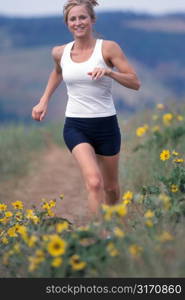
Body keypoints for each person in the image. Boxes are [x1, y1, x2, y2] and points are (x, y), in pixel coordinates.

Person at [32, 0, 141, 218]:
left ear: (92, 20)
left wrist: (110, 72)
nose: (78, 22)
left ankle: (111, 228)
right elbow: (58, 72)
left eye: (82, 17)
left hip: (106, 125)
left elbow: (135, 82)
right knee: (94, 182)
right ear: (67, 23)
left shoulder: (108, 48)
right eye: (73, 19)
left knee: (111, 188)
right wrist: (43, 100)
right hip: (76, 125)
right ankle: (97, 237)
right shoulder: (59, 52)